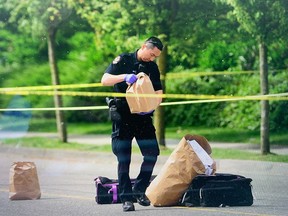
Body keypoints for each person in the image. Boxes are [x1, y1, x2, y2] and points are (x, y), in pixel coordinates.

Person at [101, 36, 164, 212]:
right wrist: (124, 77)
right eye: (151, 54)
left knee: (152, 153)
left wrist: (152, 107)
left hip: (143, 117)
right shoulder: (124, 59)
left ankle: (139, 189)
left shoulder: (152, 67)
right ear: (143, 46)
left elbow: (159, 92)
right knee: (124, 158)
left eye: (155, 57)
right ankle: (126, 199)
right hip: (123, 116)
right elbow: (105, 79)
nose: (151, 59)